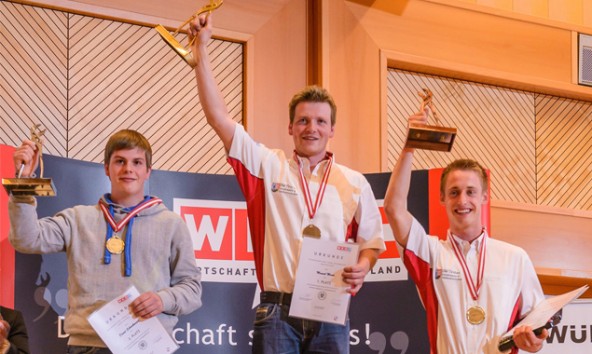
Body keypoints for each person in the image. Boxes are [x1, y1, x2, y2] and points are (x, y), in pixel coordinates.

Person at [189, 14, 385, 354]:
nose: (312, 128)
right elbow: (218, 118)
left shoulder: (353, 183)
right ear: (290, 127)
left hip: (331, 312)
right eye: (303, 120)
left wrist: (363, 266)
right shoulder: (268, 165)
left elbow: (372, 243)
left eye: (321, 121)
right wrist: (201, 52)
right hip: (277, 311)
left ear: (332, 130)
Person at [8, 129, 202, 354]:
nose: (128, 169)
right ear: (106, 168)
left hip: (147, 346)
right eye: (120, 161)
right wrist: (23, 182)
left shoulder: (172, 224)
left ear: (148, 171)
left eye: (137, 162)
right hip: (86, 347)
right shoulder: (77, 218)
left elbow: (192, 289)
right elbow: (27, 239)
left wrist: (163, 299)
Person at [383, 110, 548, 353]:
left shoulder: (515, 258)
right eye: (454, 192)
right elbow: (394, 208)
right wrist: (409, 147)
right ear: (442, 198)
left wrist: (533, 340)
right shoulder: (430, 252)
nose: (462, 200)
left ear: (484, 196)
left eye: (470, 191)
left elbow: (536, 333)